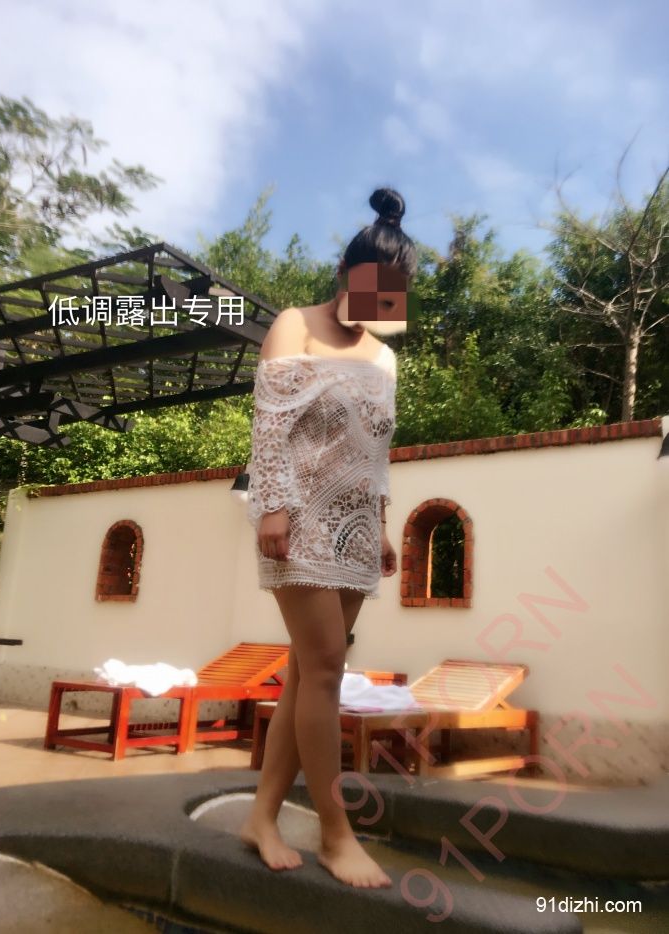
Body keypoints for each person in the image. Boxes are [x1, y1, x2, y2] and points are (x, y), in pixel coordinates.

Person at [240, 188, 418, 889]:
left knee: (306, 673)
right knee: (323, 670)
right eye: (370, 287)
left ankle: (261, 817)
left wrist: (382, 524)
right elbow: (270, 423)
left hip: (354, 525)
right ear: (345, 273)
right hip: (298, 519)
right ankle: (335, 834)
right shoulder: (297, 324)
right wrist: (274, 507)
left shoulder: (384, 358)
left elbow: (376, 450)